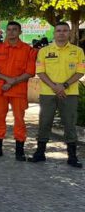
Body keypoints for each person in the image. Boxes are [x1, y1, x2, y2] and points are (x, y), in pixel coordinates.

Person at [30, 22, 85, 167]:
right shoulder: (44, 51)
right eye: (58, 31)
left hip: (70, 93)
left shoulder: (78, 51)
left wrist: (64, 86)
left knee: (70, 124)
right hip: (48, 93)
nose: (61, 33)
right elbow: (40, 72)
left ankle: (72, 157)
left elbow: (80, 71)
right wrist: (55, 87)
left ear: (69, 33)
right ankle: (40, 153)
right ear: (54, 33)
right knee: (45, 122)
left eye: (65, 31)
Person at [0, 21, 36, 161]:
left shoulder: (28, 50)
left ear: (20, 32)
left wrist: (13, 81)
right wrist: (8, 80)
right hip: (0, 90)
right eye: (9, 29)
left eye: (15, 29)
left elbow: (30, 72)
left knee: (19, 120)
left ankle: (19, 150)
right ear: (6, 32)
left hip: (18, 91)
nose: (11, 32)